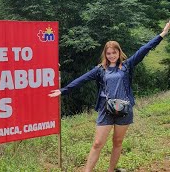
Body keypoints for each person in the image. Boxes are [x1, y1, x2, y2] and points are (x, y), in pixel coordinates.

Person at [49, 20, 170, 172]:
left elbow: (144, 49)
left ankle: (111, 170)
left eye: (114, 52)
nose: (112, 55)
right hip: (106, 110)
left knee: (118, 142)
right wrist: (64, 90)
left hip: (124, 109)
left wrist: (163, 33)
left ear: (119, 52)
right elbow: (82, 79)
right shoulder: (100, 69)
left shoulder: (127, 65)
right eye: (109, 53)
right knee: (98, 143)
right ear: (105, 54)